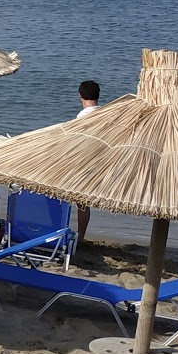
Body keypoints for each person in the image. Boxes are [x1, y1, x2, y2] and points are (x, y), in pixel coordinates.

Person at [75, 79, 101, 244]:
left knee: (81, 202)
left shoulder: (82, 118)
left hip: (85, 163)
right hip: (102, 163)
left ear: (80, 96)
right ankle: (81, 235)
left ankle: (81, 236)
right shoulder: (106, 113)